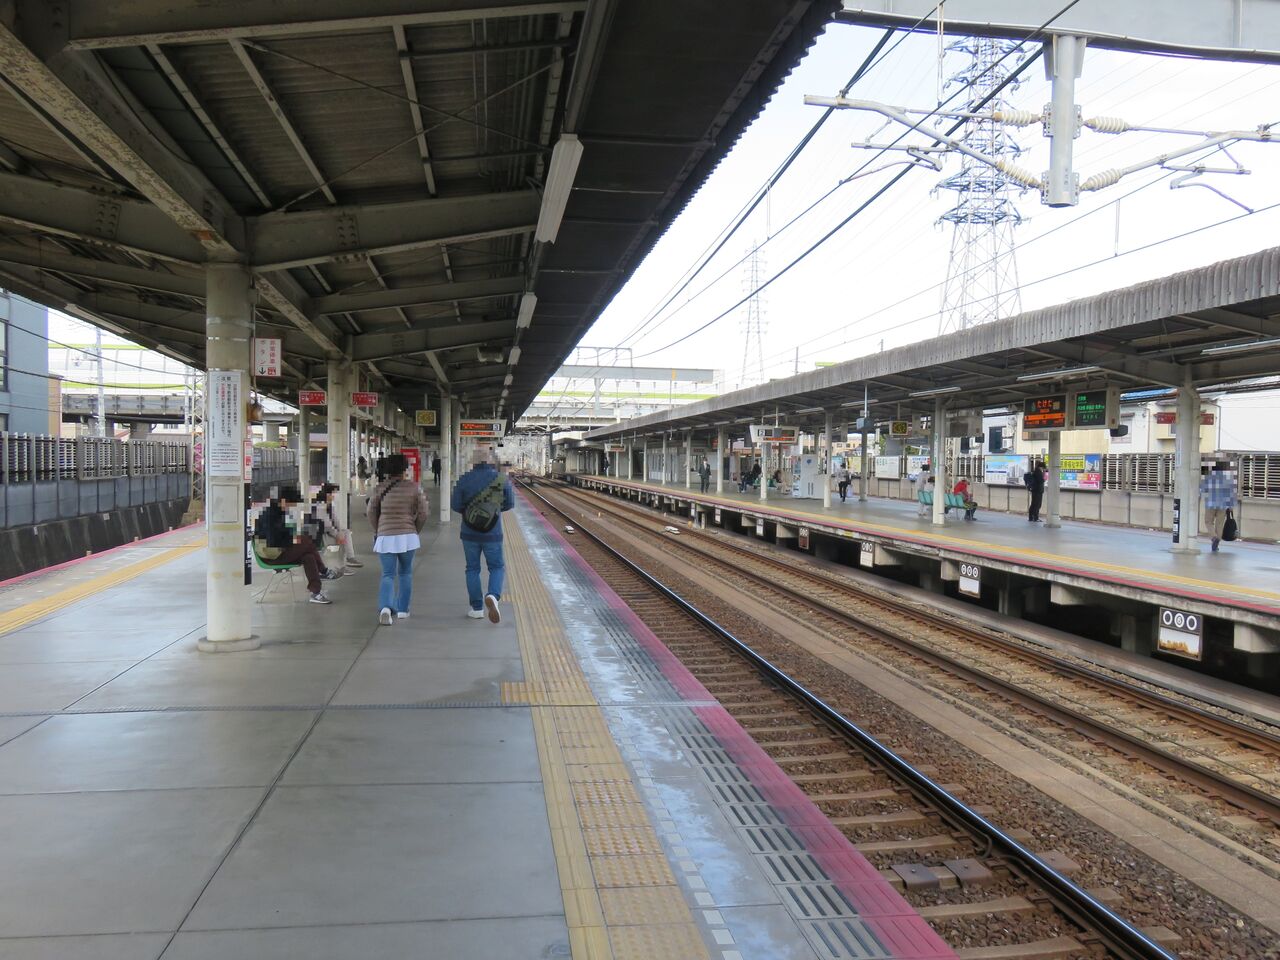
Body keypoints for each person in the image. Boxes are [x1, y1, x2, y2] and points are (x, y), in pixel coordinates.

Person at [452, 448, 515, 623]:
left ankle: (477, 608)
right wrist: (493, 511)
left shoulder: (464, 479)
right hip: (493, 533)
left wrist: (471, 514)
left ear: (473, 462)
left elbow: (455, 505)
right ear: (490, 461)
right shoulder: (500, 479)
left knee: (472, 569)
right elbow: (510, 503)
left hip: (469, 533)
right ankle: (493, 595)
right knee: (496, 567)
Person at [367, 454, 429, 625]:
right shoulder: (414, 488)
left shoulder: (380, 488)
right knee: (405, 573)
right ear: (405, 468)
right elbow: (424, 512)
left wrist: (378, 529)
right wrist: (414, 529)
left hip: (385, 536)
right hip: (408, 536)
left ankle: (386, 608)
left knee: (388, 574)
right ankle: (402, 610)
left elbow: (371, 511)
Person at [254, 486, 341, 604]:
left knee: (309, 557)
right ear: (284, 501)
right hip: (271, 556)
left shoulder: (278, 512)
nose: (291, 508)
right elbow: (273, 541)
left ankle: (316, 592)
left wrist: (292, 539)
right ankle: (324, 571)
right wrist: (292, 540)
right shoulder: (269, 516)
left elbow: (283, 534)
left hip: (279, 551)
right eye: (291, 504)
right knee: (306, 542)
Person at [309, 483, 363, 570]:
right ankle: (347, 561)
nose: (334, 496)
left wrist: (340, 530)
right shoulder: (320, 507)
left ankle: (346, 562)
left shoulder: (329, 505)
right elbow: (327, 526)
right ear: (327, 494)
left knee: (346, 533)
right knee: (344, 538)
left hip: (329, 533)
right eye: (333, 493)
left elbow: (336, 520)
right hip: (322, 536)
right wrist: (337, 534)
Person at [1199, 461, 1237, 552]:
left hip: (1211, 503)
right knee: (1219, 524)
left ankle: (1214, 537)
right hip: (1222, 505)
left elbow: (1202, 490)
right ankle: (1216, 543)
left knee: (1208, 521)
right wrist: (1230, 505)